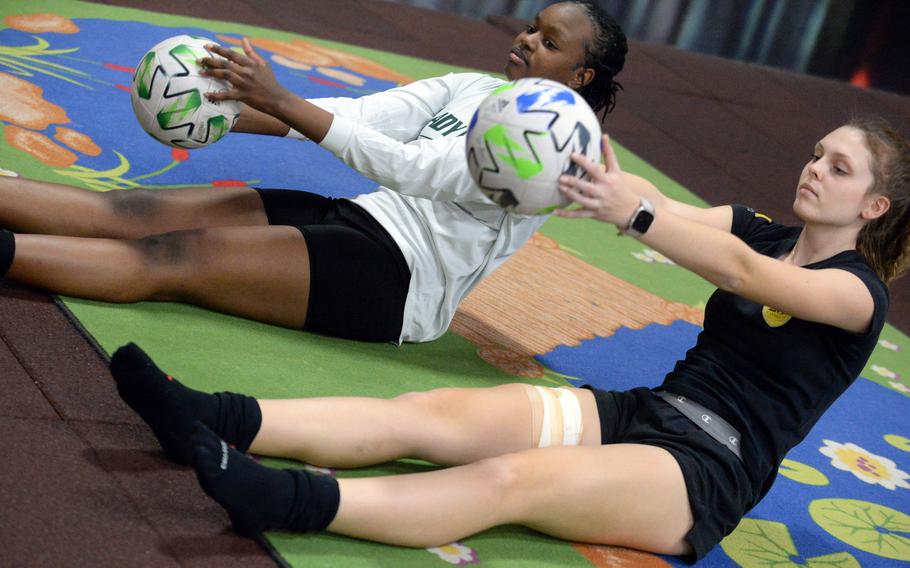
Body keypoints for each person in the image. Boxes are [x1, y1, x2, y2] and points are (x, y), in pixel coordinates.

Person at [108, 117, 908, 560]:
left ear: (873, 208)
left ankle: (285, 500)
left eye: (838, 169)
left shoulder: (853, 296)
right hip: (645, 411)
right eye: (815, 154)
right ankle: (209, 416)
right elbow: (660, 203)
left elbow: (742, 274)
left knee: (509, 481)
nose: (813, 169)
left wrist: (634, 214)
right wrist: (584, 162)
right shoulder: (762, 228)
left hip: (705, 471)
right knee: (437, 414)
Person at [0, 1, 627, 343]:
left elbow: (414, 170)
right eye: (531, 26)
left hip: (399, 284)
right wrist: (223, 108)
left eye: (548, 42)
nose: (524, 39)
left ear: (581, 78)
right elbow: (359, 114)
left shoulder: (562, 150)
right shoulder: (473, 87)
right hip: (363, 218)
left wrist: (279, 99)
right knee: (132, 212)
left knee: (174, 256)